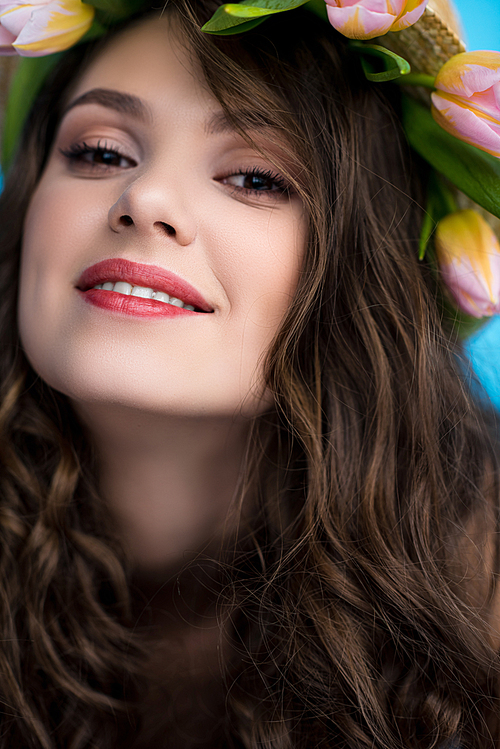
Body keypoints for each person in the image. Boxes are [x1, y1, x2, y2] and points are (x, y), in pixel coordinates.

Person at [0, 0, 498, 746]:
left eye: (256, 178)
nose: (146, 199)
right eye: (101, 152)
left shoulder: (481, 595)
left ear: (363, 273)